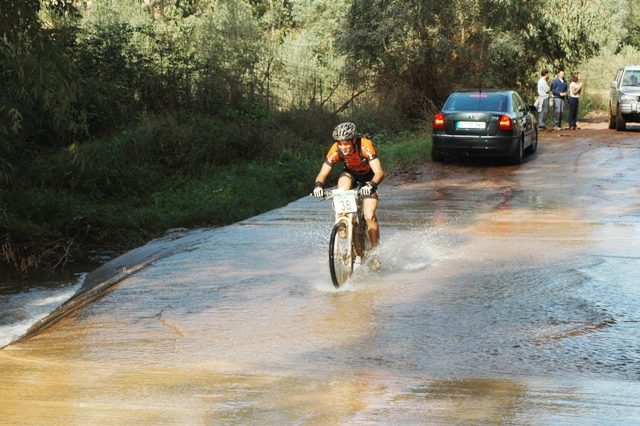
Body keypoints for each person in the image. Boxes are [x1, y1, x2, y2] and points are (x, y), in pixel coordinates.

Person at [313, 122, 385, 251]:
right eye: (340, 143)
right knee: (342, 190)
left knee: (369, 215)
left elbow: (379, 172)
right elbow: (323, 173)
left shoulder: (365, 145)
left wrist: (371, 185)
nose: (343, 147)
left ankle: (375, 252)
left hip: (369, 178)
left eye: (346, 143)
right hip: (350, 173)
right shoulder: (336, 148)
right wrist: (318, 186)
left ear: (353, 140)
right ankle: (345, 223)